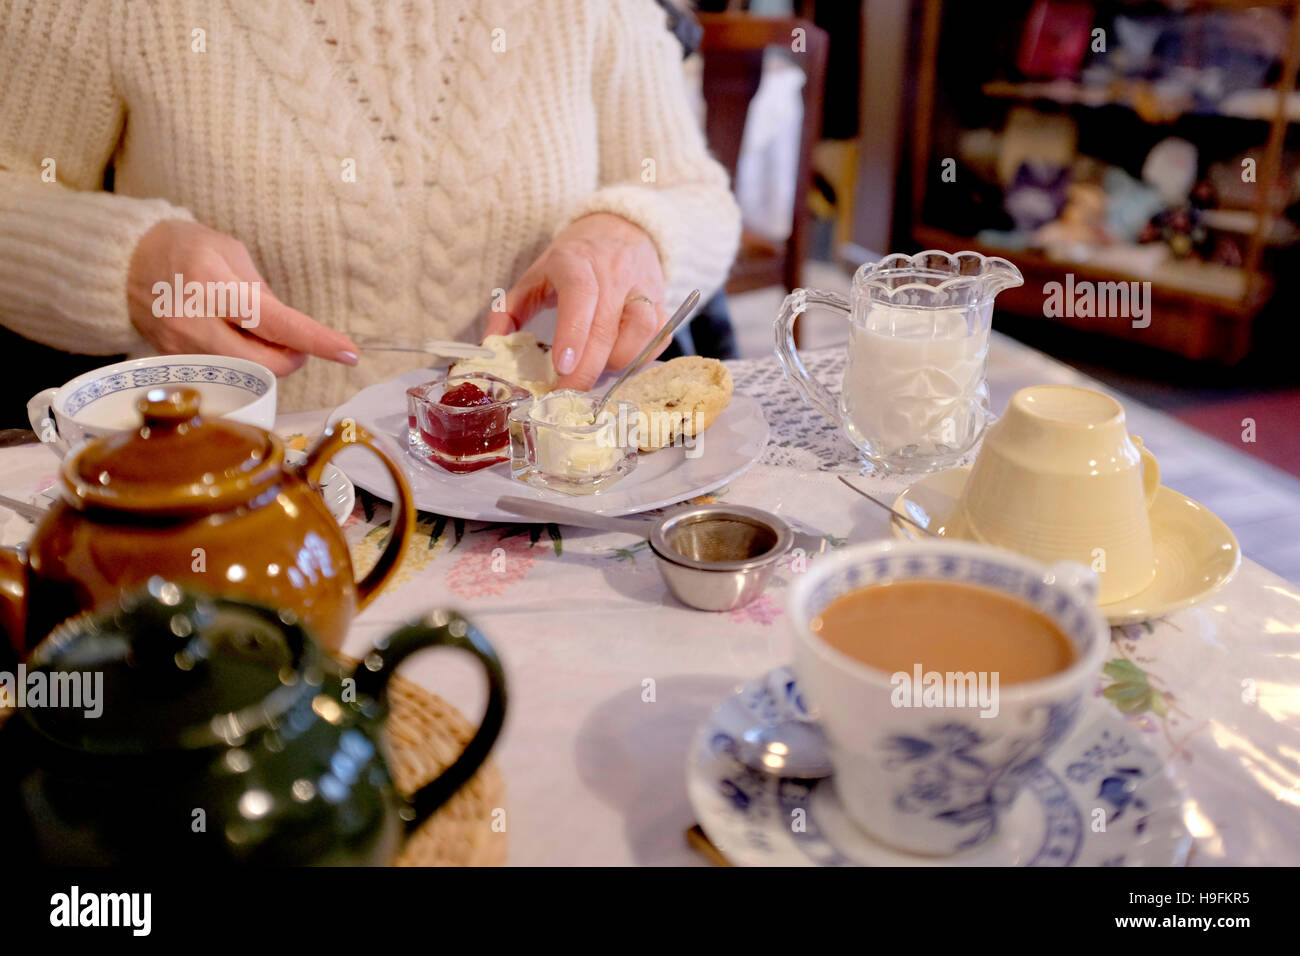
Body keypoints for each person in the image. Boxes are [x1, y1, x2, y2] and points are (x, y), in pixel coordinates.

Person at [0, 0, 741, 412]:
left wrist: (632, 233)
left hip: (547, 494)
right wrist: (129, 265)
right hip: (239, 502)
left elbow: (692, 192)